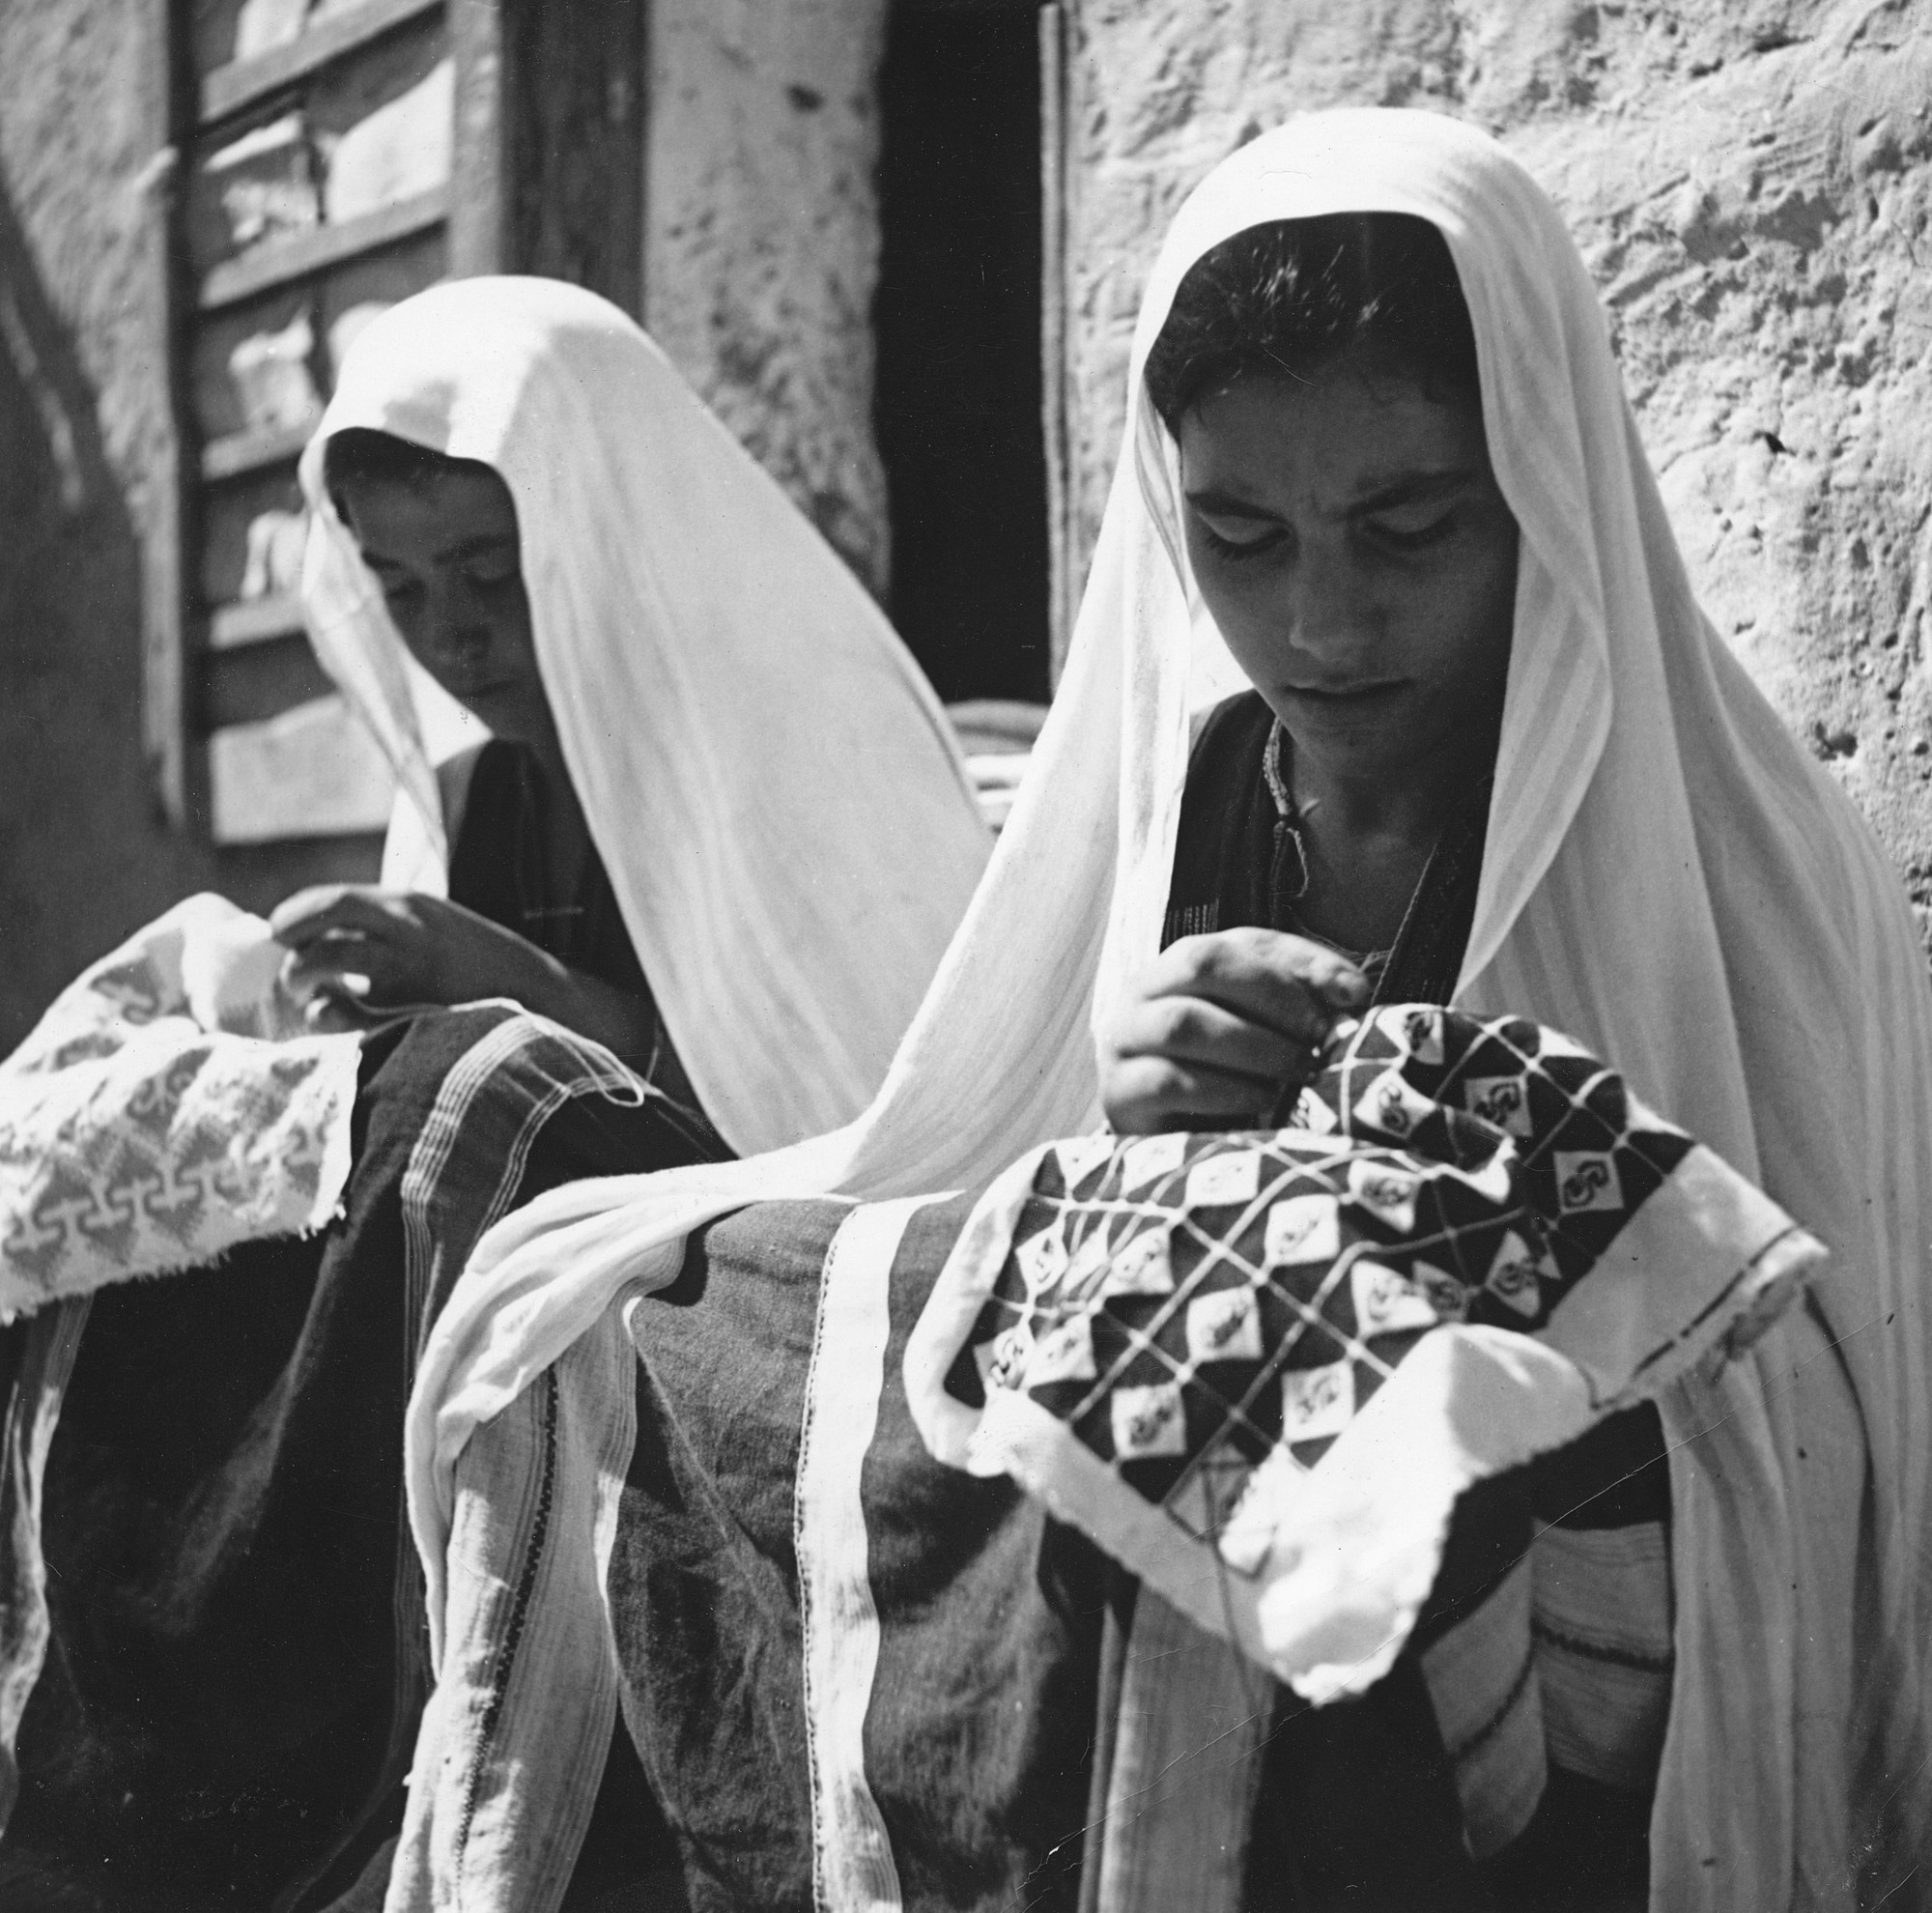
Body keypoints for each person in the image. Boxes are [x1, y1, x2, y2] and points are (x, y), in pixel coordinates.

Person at [358, 116, 1929, 1912]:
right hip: (1241, 1608)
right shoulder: (1209, 794)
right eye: (1241, 536)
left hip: (1563, 1712)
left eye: (1407, 526)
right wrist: (1138, 1122)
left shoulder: (1739, 864)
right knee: (663, 1295)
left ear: (1546, 490)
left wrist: (1529, 1206)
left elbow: (1821, 1446)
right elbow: (1017, 1198)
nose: (1321, 624)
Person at [0, 276, 990, 1909]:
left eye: (490, 574)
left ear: (601, 534)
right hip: (529, 1337)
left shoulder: (786, 733)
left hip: (749, 1315)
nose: (452, 636)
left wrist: (529, 1004)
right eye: (397, 587)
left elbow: (890, 1119)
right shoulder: (479, 786)